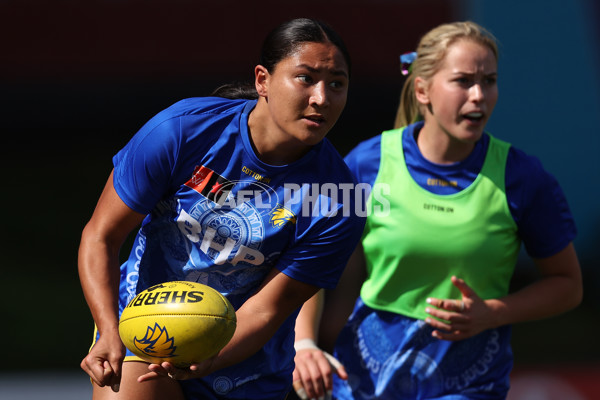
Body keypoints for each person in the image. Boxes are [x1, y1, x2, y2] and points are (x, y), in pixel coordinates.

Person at [291, 20, 583, 400]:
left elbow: (568, 286)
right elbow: (309, 258)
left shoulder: (524, 178)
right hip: (362, 383)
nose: (479, 95)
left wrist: (495, 311)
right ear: (423, 89)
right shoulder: (367, 163)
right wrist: (304, 343)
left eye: (489, 81)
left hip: (470, 386)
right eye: (463, 81)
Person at [78, 17, 365, 400]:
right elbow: (101, 235)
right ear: (263, 80)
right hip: (145, 332)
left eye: (337, 84)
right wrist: (108, 330)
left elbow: (266, 309)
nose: (322, 98)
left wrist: (209, 359)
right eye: (305, 78)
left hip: (246, 368)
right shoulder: (182, 130)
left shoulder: (340, 199)